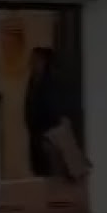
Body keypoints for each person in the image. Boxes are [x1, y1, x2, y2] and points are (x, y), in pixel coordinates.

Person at [23, 47, 65, 178]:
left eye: (35, 60)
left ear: (43, 61)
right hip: (35, 137)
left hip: (48, 138)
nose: (31, 63)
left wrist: (48, 138)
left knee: (50, 174)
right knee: (39, 172)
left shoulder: (50, 82)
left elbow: (54, 112)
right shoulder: (32, 80)